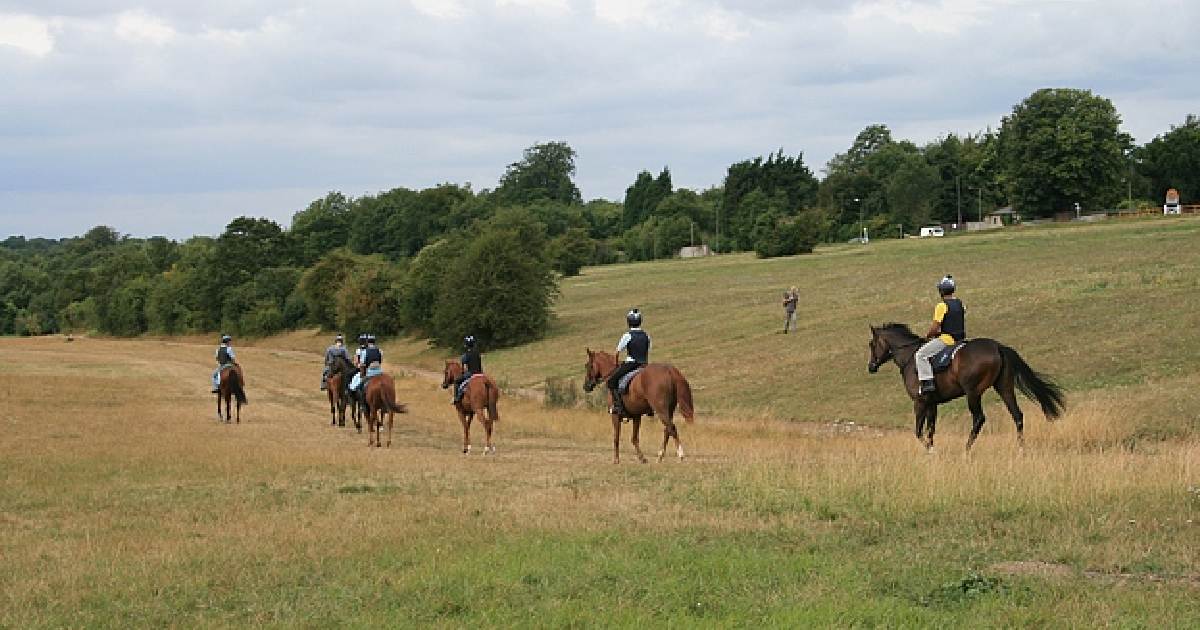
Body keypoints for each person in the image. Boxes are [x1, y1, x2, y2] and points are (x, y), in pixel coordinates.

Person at [915, 275, 967, 395]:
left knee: (920, 355)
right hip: (960, 340)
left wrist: (929, 335)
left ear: (941, 291)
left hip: (947, 340)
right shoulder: (960, 304)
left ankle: (927, 383)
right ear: (953, 289)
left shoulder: (941, 306)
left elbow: (935, 327)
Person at [607, 308, 650, 417]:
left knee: (611, 381)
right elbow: (647, 349)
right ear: (640, 321)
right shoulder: (646, 335)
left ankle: (618, 406)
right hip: (644, 364)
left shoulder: (627, 335)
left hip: (631, 364)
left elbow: (617, 352)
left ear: (629, 321)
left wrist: (616, 365)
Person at [452, 335, 483, 404]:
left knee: (457, 382)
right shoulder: (478, 353)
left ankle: (457, 398)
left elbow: (463, 364)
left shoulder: (465, 355)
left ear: (466, 345)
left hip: (471, 373)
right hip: (480, 373)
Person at [351, 334, 383, 399]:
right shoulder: (380, 350)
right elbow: (380, 361)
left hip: (369, 372)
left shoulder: (365, 351)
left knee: (359, 385)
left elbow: (362, 364)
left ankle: (362, 401)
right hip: (379, 371)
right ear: (374, 341)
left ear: (367, 342)